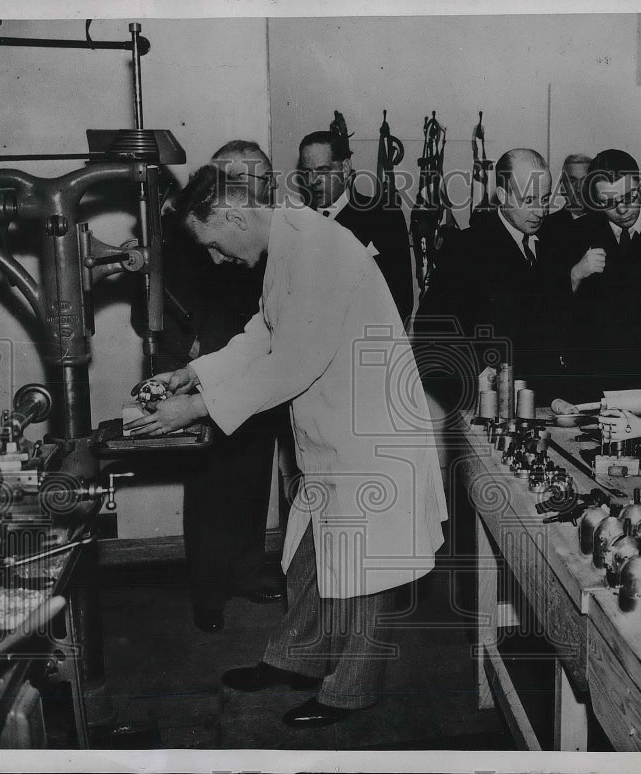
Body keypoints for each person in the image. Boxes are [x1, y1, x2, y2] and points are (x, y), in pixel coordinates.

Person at [125, 163, 448, 728]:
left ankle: (352, 690)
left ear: (232, 215)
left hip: (369, 436)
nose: (217, 260)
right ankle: (299, 659)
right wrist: (195, 374)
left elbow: (294, 363)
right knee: (308, 556)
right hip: (332, 435)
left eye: (216, 246)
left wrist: (195, 409)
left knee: (366, 573)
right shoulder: (291, 242)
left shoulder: (318, 248)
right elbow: (266, 331)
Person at [156, 140, 285, 634]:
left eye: (269, 181)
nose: (267, 190)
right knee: (209, 483)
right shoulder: (189, 229)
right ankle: (208, 591)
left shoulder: (266, 231)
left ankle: (248, 571)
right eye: (258, 182)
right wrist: (190, 352)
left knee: (252, 475)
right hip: (206, 361)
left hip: (251, 360)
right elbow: (156, 299)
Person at [414, 148, 564, 408]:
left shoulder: (555, 241)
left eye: (545, 198)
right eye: (529, 200)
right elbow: (432, 329)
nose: (540, 211)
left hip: (546, 403)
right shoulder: (467, 248)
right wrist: (477, 372)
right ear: (503, 195)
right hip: (488, 404)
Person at [559, 149, 641, 398]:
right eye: (608, 202)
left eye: (629, 196)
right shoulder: (576, 235)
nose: (621, 210)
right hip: (596, 384)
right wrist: (574, 276)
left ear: (640, 184)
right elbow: (555, 316)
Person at [297, 129, 414, 323]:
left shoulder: (384, 218)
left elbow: (400, 302)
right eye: (307, 172)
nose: (312, 181)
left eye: (322, 171)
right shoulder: (297, 224)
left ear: (344, 168)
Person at [537, 153, 592, 269]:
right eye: (572, 181)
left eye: (585, 181)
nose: (578, 188)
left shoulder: (607, 224)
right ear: (562, 186)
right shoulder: (545, 227)